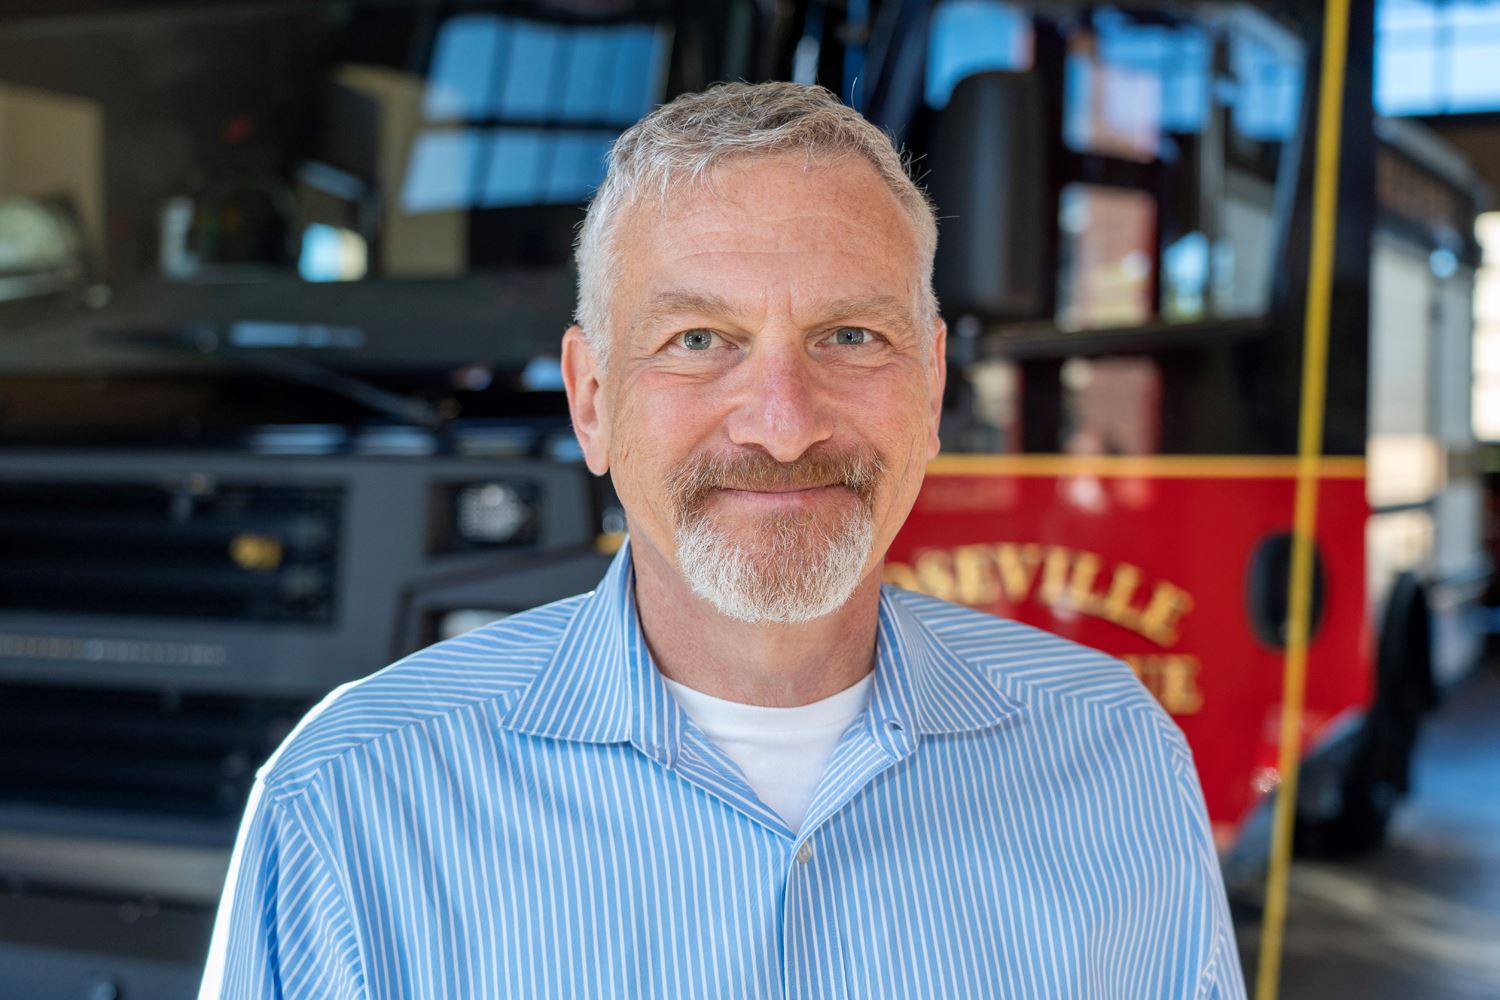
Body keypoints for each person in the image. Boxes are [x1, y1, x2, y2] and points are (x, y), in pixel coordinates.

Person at [199, 81, 1246, 999]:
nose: (783, 422)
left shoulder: (1114, 756)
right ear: (593, 397)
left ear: (930, 387)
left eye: (850, 337)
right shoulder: (351, 800)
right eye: (699, 341)